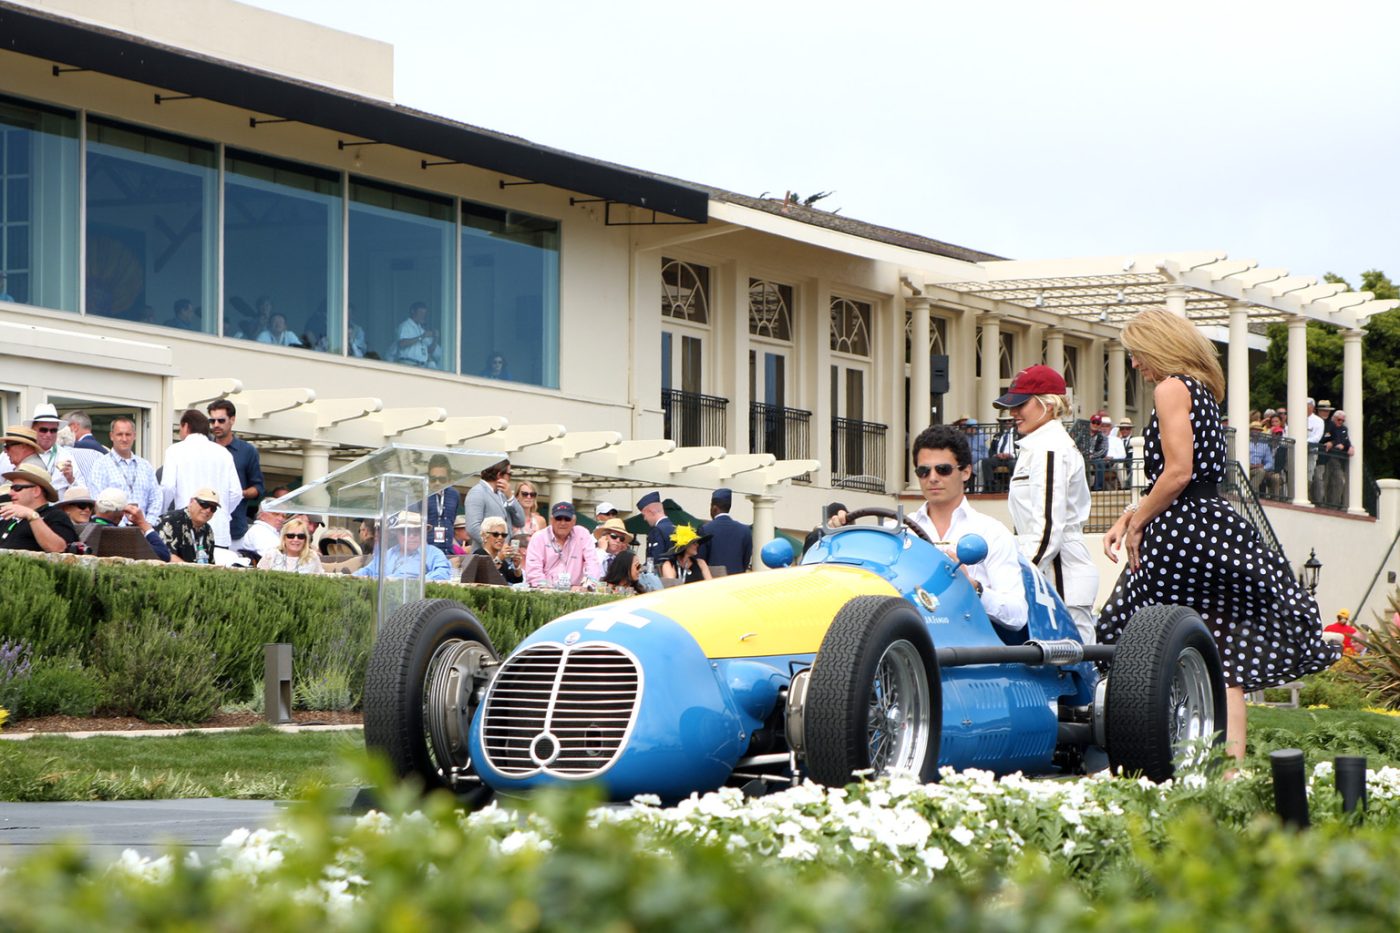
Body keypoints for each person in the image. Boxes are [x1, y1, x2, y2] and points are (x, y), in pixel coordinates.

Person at [1096, 309, 1338, 766]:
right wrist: (1133, 511)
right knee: (1224, 658)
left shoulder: (1170, 388)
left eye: (1136, 353)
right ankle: (1230, 772)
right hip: (1212, 523)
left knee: (1124, 638)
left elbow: (1178, 472)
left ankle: (1142, 761)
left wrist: (1136, 521)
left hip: (1180, 533)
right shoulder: (1202, 391)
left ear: (1158, 345)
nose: (1134, 364)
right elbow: (1187, 477)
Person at [991, 365, 1098, 643]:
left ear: (1048, 406)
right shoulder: (1040, 446)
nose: (1013, 413)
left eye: (1021, 404)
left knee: (1072, 662)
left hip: (1060, 571)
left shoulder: (1049, 448)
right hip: (1052, 568)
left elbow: (1048, 527)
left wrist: (1022, 575)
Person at [906, 425, 1027, 629]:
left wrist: (974, 588)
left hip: (967, 649)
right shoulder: (900, 530)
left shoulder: (991, 532)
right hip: (907, 646)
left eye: (943, 469)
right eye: (923, 471)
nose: (932, 478)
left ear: (966, 472)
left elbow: (1017, 615)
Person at [160, 409, 244, 558]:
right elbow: (236, 492)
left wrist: (163, 514)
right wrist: (217, 510)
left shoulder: (175, 450)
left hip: (185, 527)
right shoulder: (224, 453)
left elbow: (167, 487)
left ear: (185, 426)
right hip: (220, 530)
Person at [81, 416, 163, 522]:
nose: (124, 439)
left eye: (128, 434)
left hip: (144, 532)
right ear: (111, 436)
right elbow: (97, 501)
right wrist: (119, 527)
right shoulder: (100, 465)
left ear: (134, 436)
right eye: (119, 434)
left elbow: (156, 498)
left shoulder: (145, 466)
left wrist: (147, 524)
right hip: (113, 531)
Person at [208, 400, 264, 550]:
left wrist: (238, 493)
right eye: (212, 421)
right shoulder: (205, 448)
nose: (216, 425)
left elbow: (258, 488)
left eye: (221, 420)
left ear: (232, 420)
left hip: (235, 528)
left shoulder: (247, 451)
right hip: (204, 525)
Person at [0, 463, 78, 553]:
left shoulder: (55, 516)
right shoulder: (9, 519)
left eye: (17, 488)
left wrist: (32, 516)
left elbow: (59, 549)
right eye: (11, 488)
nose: (10, 493)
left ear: (36, 491)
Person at [353, 511, 453, 581]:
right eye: (406, 532)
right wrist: (351, 578)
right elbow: (369, 570)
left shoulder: (433, 553)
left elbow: (443, 573)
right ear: (397, 534)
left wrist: (412, 583)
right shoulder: (390, 553)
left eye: (416, 532)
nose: (412, 536)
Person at [524, 502, 601, 590]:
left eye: (567, 519)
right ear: (551, 520)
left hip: (575, 592)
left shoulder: (582, 534)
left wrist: (587, 586)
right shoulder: (539, 537)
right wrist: (546, 588)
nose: (562, 523)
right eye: (558, 518)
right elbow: (534, 570)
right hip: (544, 590)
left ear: (574, 521)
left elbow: (593, 563)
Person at [88, 488, 171, 561]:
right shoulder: (126, 536)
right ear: (122, 513)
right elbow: (164, 555)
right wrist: (142, 523)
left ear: (96, 506)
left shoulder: (85, 529)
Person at [463, 459, 525, 547]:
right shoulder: (477, 492)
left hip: (504, 556)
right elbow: (473, 528)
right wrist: (494, 546)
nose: (510, 478)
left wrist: (511, 497)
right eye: (509, 474)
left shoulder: (503, 493)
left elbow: (521, 522)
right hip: (486, 556)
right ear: (499, 475)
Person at [155, 488, 220, 564]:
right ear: (191, 502)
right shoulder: (171, 520)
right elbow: (166, 556)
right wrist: (193, 573)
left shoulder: (207, 530)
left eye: (213, 508)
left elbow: (210, 563)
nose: (208, 510)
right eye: (204, 504)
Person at [27, 403, 78, 495]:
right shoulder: (21, 452)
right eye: (43, 430)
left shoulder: (66, 456)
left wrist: (71, 479)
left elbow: (80, 490)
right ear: (33, 429)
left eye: (53, 430)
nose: (48, 434)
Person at [700, 487, 752, 575]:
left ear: (714, 508)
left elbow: (701, 560)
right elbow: (746, 561)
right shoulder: (745, 530)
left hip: (712, 581)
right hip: (736, 580)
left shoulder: (705, 529)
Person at [424, 453, 461, 558]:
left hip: (448, 551)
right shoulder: (421, 496)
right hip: (427, 553)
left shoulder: (454, 495)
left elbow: (451, 522)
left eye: (442, 479)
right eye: (433, 479)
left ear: (449, 479)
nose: (437, 482)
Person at [260, 517, 324, 574]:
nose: (295, 539)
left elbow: (321, 578)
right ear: (284, 538)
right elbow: (259, 576)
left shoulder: (312, 556)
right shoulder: (271, 554)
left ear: (305, 539)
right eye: (290, 536)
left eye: (300, 536)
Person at [473, 515, 523, 584]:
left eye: (503, 535)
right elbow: (483, 576)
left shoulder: (501, 559)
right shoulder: (479, 554)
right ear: (485, 536)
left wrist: (517, 566)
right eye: (495, 534)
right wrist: (499, 559)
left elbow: (516, 580)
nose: (500, 537)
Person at [1320, 409, 1354, 508]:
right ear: (1334, 418)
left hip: (1337, 459)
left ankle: (1334, 505)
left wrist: (1349, 447)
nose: (1341, 422)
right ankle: (1323, 504)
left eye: (1342, 420)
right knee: (1325, 481)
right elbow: (1324, 440)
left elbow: (1345, 442)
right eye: (1339, 420)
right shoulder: (1329, 426)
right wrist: (1334, 443)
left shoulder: (1344, 429)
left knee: (1339, 481)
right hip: (1326, 457)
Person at [636, 491, 676, 570]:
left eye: (644, 515)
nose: (644, 519)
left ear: (651, 512)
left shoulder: (657, 531)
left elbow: (654, 561)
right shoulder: (675, 528)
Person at [393, 301, 439, 368]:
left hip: (421, 366)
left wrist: (436, 338)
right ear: (413, 311)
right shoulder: (405, 326)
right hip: (408, 364)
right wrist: (422, 337)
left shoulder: (421, 330)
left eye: (424, 314)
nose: (423, 316)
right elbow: (402, 343)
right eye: (421, 313)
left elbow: (429, 351)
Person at [982, 413, 1018, 492]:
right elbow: (991, 449)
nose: (1007, 422)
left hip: (1012, 458)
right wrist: (996, 455)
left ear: (1013, 422)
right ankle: (990, 487)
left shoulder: (1018, 434)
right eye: (1005, 421)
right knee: (986, 462)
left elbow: (1021, 449)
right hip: (998, 458)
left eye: (1009, 420)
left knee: (1014, 464)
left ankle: (1013, 487)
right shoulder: (997, 435)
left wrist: (1011, 455)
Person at [1305, 398, 1325, 494]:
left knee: (1309, 472)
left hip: (1310, 450)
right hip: (1296, 450)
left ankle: (1306, 494)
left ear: (1312, 407)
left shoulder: (1319, 421)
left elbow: (1317, 437)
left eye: (1307, 406)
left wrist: (1303, 442)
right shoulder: (1296, 418)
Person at [1246, 421, 1270, 492]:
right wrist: (1250, 465)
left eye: (1259, 430)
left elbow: (1270, 462)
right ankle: (1251, 492)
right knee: (1260, 472)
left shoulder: (1264, 445)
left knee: (1261, 471)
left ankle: (1249, 491)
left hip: (1257, 469)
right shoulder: (1244, 442)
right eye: (1255, 429)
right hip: (1245, 467)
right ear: (1250, 431)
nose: (1257, 432)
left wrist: (1263, 466)